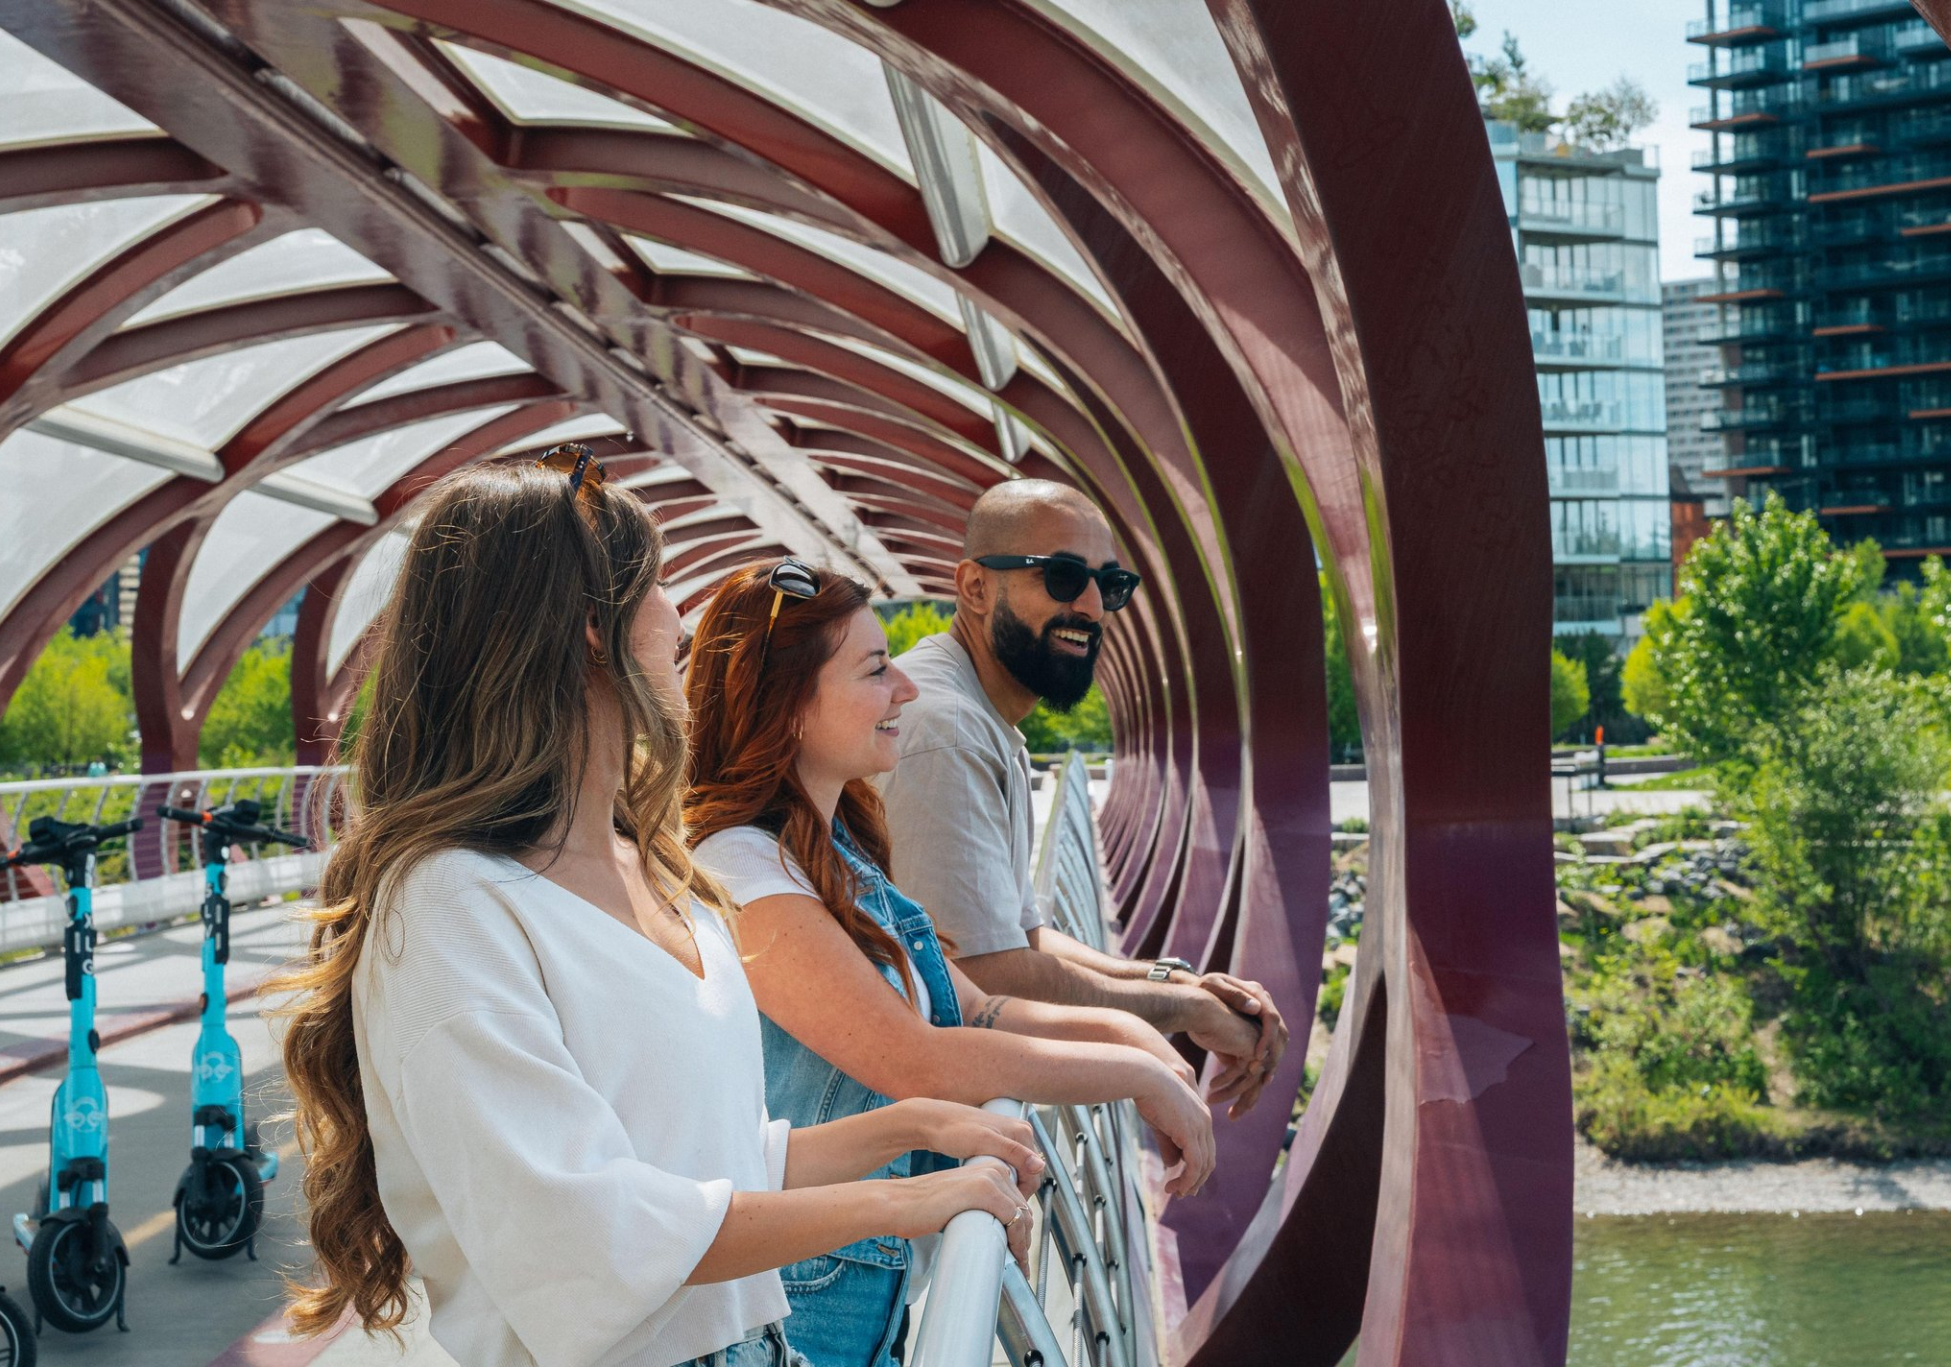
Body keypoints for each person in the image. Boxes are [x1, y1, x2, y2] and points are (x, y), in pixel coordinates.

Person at [274, 451, 1035, 1367]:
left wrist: (917, 1128)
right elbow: (587, 1231)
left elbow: (703, 1160)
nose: (684, 617)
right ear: (591, 631)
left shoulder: (654, 867)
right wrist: (909, 1200)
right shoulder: (445, 906)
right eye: (662, 586)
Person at [684, 558, 1217, 1367]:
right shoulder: (745, 873)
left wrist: (1131, 1033)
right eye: (875, 669)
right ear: (789, 708)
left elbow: (977, 1010)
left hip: (854, 1282)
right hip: (801, 1314)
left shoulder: (832, 852)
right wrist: (1135, 1075)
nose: (908, 688)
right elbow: (917, 1059)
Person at [874, 480, 1288, 1114]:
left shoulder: (980, 717)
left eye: (1111, 585)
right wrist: (1180, 1010)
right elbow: (985, 977)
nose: (1094, 607)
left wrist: (1175, 982)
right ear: (975, 587)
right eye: (1064, 577)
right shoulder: (945, 730)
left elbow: (1025, 938)